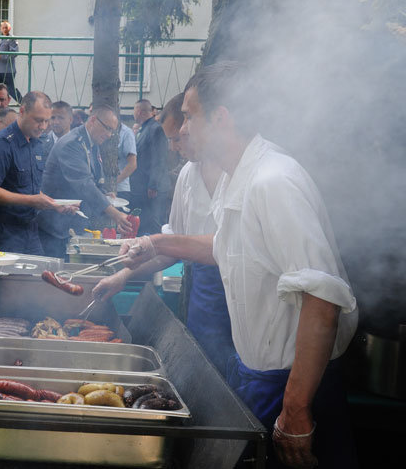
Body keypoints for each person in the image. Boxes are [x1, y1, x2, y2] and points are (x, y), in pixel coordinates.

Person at [119, 62, 358, 468]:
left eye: (190, 116)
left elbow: (322, 298)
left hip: (294, 386)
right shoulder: (237, 178)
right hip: (259, 379)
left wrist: (296, 410)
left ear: (221, 117)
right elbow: (224, 248)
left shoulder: (273, 181)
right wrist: (156, 243)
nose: (184, 129)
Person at [93, 92, 235, 377]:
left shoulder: (239, 174)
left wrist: (155, 242)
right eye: (170, 139)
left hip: (241, 299)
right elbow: (172, 247)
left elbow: (229, 247)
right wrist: (122, 275)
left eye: (178, 138)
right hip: (203, 298)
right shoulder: (187, 177)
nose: (173, 147)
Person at [0, 91, 69, 254]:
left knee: (38, 277)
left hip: (30, 229)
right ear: (22, 111)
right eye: (38, 120)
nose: (43, 126)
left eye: (46, 121)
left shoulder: (36, 144)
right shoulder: (2, 144)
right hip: (3, 231)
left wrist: (54, 205)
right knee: (8, 279)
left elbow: (29, 188)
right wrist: (31, 200)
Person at [37, 106, 132, 258]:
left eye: (112, 131)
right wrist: (115, 214)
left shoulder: (90, 143)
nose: (109, 135)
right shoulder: (72, 144)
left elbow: (92, 179)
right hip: (54, 225)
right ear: (93, 120)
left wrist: (104, 194)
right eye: (107, 128)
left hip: (70, 223)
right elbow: (84, 184)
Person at [129, 98, 174, 235]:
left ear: (139, 111)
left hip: (154, 188)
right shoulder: (144, 129)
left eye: (134, 110)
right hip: (143, 186)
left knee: (155, 222)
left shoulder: (155, 129)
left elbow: (159, 158)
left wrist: (153, 184)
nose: (133, 114)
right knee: (145, 222)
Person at [0, 21, 22, 103]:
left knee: (11, 90)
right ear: (0, 29)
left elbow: (14, 53)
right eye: (3, 28)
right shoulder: (1, 39)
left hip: (8, 70)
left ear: (9, 28)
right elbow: (0, 53)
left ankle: (23, 103)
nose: (5, 29)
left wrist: (1, 56)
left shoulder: (12, 39)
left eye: (6, 27)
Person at [115, 123, 137, 202]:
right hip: (101, 190)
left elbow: (132, 164)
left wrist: (114, 182)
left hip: (120, 190)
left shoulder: (126, 132)